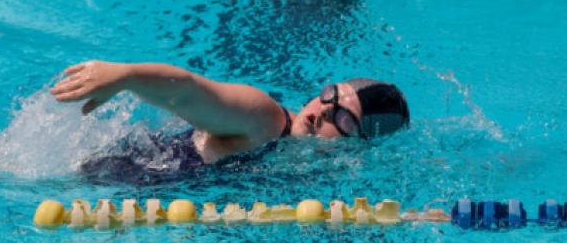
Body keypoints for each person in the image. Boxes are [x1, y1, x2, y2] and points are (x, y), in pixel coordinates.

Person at [51, 60, 411, 182]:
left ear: (360, 145)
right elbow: (191, 91)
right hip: (97, 176)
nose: (319, 112)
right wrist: (125, 75)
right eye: (329, 95)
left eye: (343, 120)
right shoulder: (265, 117)